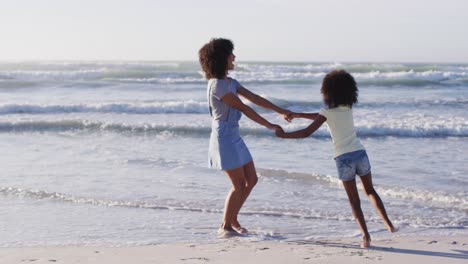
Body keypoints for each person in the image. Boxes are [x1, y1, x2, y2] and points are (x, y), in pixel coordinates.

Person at [276, 70, 397, 248]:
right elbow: (321, 116)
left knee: (354, 201)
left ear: (328, 92)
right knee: (370, 191)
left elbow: (307, 132)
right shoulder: (347, 108)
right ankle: (388, 223)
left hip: (343, 158)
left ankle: (366, 236)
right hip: (361, 153)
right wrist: (299, 114)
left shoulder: (327, 112)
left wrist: (283, 135)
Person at [198, 38, 291, 236]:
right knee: (239, 185)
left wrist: (280, 110)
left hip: (233, 134)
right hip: (223, 137)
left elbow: (254, 98)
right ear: (221, 58)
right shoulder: (217, 86)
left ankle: (233, 219)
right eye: (231, 54)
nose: (234, 57)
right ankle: (226, 225)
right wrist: (269, 125)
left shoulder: (230, 82)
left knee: (252, 179)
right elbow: (244, 107)